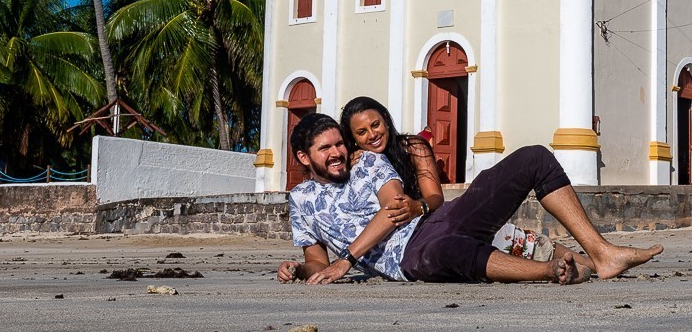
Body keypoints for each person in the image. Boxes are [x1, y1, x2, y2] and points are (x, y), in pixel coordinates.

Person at [277, 112, 662, 285]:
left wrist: (347, 259)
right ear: (303, 157)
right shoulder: (301, 201)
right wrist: (301, 270)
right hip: (410, 260)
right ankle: (555, 271)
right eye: (325, 148)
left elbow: (395, 210)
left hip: (430, 224)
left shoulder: (368, 163)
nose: (338, 152)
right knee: (449, 253)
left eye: (339, 144)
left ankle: (601, 253)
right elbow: (316, 260)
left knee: (533, 157)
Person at [339, 96, 571, 263]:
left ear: (386, 122)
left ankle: (591, 263)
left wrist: (416, 206)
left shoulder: (412, 148)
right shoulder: (355, 164)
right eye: (362, 132)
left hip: (441, 223)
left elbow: (435, 197)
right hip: (421, 246)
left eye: (375, 125)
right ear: (354, 139)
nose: (372, 135)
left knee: (528, 245)